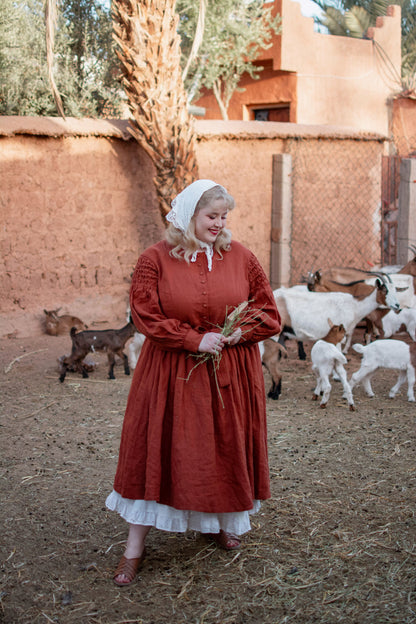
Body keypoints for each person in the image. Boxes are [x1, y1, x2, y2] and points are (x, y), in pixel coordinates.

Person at [106, 179, 281, 586]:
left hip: (228, 373)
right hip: (171, 373)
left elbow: (267, 310)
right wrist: (192, 338)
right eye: (211, 216)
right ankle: (134, 549)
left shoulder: (241, 257)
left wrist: (241, 332)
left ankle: (216, 523)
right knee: (159, 449)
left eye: (224, 216)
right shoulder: (155, 259)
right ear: (189, 216)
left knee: (221, 448)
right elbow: (144, 314)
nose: (219, 224)